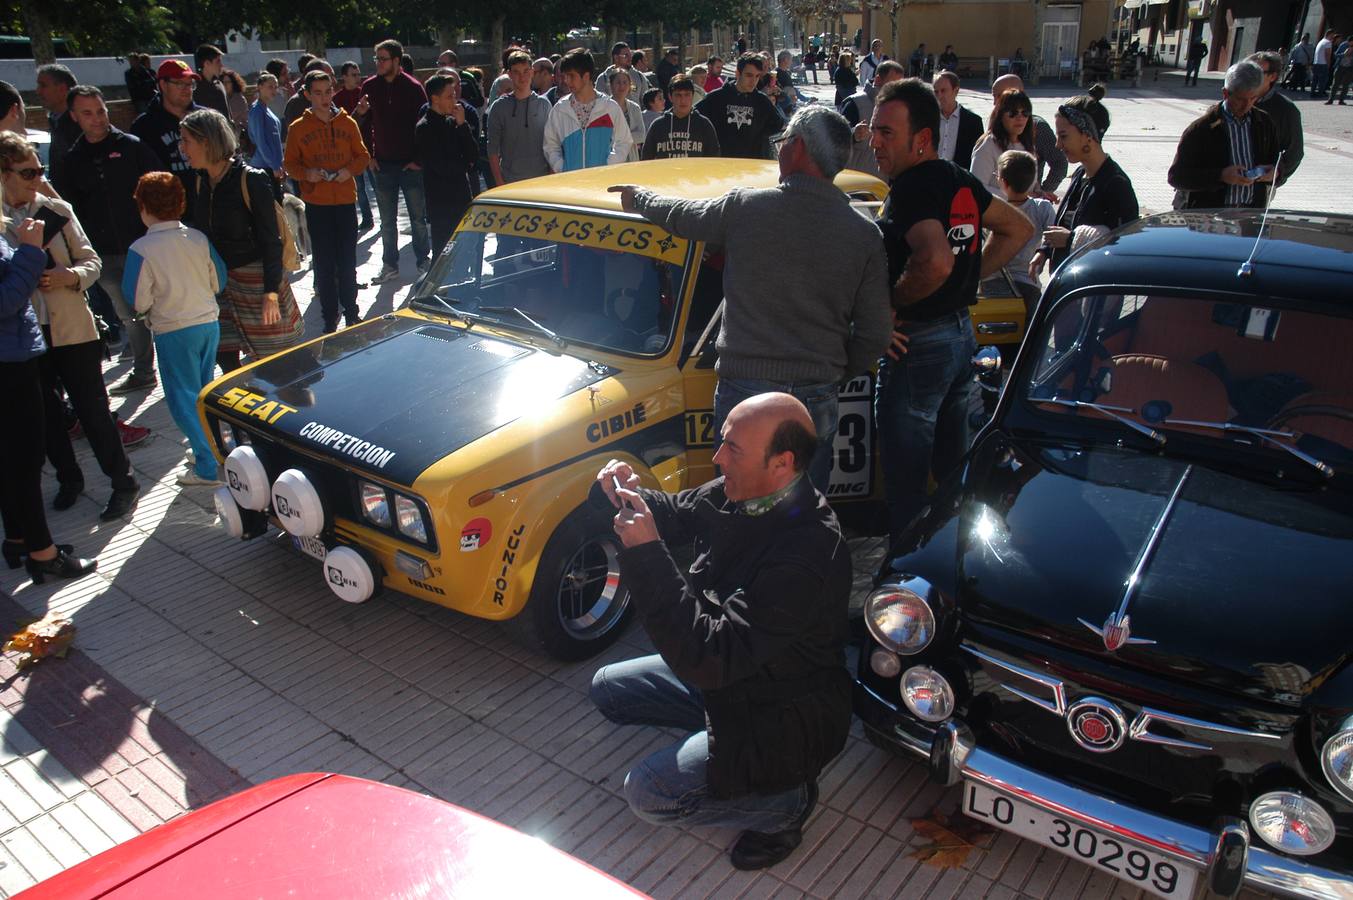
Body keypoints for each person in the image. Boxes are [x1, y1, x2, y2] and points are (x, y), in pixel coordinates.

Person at [589, 392, 853, 870]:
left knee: (649, 794)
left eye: (732, 448)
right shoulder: (744, 492)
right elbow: (675, 511)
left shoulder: (809, 550)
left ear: (783, 463)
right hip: (732, 679)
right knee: (608, 689)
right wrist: (627, 491)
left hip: (780, 711)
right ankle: (717, 740)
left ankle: (786, 805)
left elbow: (708, 657)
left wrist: (647, 554)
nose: (717, 458)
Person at [611, 106, 891, 490]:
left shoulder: (747, 208)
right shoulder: (863, 234)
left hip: (746, 391)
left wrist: (638, 198)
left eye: (782, 142)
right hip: (817, 395)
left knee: (737, 505)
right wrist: (831, 372)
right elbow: (876, 334)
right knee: (806, 513)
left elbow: (681, 214)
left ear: (795, 148)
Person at [868, 78, 1034, 537]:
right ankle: (947, 571)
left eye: (887, 133)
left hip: (917, 346)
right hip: (961, 336)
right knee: (952, 478)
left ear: (921, 139)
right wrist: (967, 276)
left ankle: (905, 584)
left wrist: (890, 304)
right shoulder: (956, 177)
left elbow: (936, 261)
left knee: (906, 485)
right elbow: (1017, 229)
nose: (874, 142)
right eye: (873, 130)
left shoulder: (911, 188)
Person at [1, 132, 140, 520]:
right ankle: (69, 479)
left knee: (92, 408)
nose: (36, 179)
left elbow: (91, 262)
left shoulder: (56, 210)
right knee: (45, 414)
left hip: (72, 327)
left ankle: (123, 481)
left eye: (40, 169)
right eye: (28, 171)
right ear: (4, 173)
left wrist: (70, 276)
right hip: (24, 333)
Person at [0, 201, 96, 582]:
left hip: (12, 356)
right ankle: (43, 552)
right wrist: (29, 251)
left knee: (11, 460)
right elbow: (6, 301)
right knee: (24, 461)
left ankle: (21, 539)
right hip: (10, 362)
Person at [181, 109, 303, 371]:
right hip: (220, 285)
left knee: (279, 364)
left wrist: (271, 293)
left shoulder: (251, 179)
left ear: (206, 142)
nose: (182, 148)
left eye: (186, 141)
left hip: (257, 284)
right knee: (227, 361)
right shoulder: (201, 181)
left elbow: (272, 241)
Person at [59, 86, 162, 397]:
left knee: (162, 308)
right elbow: (69, 208)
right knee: (130, 315)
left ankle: (171, 366)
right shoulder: (72, 159)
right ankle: (145, 370)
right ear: (75, 117)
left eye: (101, 111)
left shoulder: (132, 147)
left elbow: (160, 186)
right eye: (88, 113)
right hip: (103, 254)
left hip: (144, 246)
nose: (97, 119)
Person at [124, 172, 222, 486]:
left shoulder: (141, 248)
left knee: (182, 400)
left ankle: (206, 465)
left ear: (143, 208)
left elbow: (137, 299)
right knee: (204, 392)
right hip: (208, 323)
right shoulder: (197, 238)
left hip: (173, 330)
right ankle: (211, 448)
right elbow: (218, 280)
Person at [285, 71, 370, 332]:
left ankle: (352, 312)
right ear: (308, 95)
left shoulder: (348, 123)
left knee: (347, 261)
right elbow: (290, 164)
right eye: (318, 93)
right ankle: (329, 316)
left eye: (327, 91)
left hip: (344, 200)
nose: (324, 98)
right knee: (324, 262)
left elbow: (363, 156)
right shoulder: (298, 128)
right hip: (317, 203)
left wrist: (349, 170)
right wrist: (307, 174)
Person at [1029, 85, 1138, 280]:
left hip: (1095, 294)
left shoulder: (1116, 184)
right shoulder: (1081, 173)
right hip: (1071, 285)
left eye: (1063, 137)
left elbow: (1122, 244)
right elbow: (1063, 224)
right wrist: (1045, 250)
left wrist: (1070, 240)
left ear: (1088, 136)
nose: (1058, 145)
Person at [1168, 61, 1278, 211]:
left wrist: (1274, 173)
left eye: (1253, 99)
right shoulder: (1201, 129)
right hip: (1211, 217)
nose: (1247, 106)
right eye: (1240, 99)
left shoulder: (1264, 123)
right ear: (1226, 93)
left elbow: (1277, 160)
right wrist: (1220, 175)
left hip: (1251, 214)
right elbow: (1177, 177)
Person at [362, 40, 430, 282]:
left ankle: (424, 262)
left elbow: (425, 125)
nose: (379, 63)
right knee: (387, 221)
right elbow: (362, 123)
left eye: (383, 59)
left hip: (409, 165)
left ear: (397, 61)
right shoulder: (369, 86)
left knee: (418, 219)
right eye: (376, 59)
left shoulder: (413, 88)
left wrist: (418, 160)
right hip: (382, 165)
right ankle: (390, 265)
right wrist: (369, 155)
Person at [416, 72, 478, 259]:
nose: (455, 100)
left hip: (461, 194)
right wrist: (464, 164)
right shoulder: (424, 127)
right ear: (435, 99)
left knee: (465, 246)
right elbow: (441, 166)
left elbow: (473, 155)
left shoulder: (454, 122)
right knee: (444, 248)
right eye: (449, 96)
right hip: (441, 200)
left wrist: (462, 125)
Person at [542, 48, 632, 172]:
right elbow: (550, 145)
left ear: (586, 76)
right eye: (565, 76)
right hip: (572, 185)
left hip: (601, 185)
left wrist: (608, 166)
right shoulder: (560, 109)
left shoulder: (610, 107)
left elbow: (624, 142)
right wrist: (562, 168)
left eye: (571, 76)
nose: (566, 81)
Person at [995, 149, 1054, 319]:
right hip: (1029, 283)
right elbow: (1053, 233)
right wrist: (1042, 252)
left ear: (1003, 182)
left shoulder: (996, 210)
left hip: (997, 283)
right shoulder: (1042, 208)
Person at [990, 73, 1066, 198]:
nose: (994, 102)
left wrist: (1043, 192)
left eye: (999, 96)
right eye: (994, 96)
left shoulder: (1038, 127)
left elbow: (1060, 163)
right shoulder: (993, 131)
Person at [696, 53, 785, 160]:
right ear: (738, 73)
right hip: (721, 165)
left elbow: (778, 125)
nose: (753, 81)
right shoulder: (716, 98)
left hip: (752, 165)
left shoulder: (762, 101)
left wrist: (759, 136)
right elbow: (695, 118)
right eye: (749, 75)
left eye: (757, 76)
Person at [130, 59, 202, 183]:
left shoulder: (206, 119)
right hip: (167, 199)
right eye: (180, 83)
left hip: (208, 199)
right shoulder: (143, 127)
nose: (187, 89)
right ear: (163, 85)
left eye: (190, 84)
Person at [487, 51, 552, 185]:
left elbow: (552, 145)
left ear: (532, 72)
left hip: (541, 181)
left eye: (526, 71)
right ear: (509, 74)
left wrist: (551, 178)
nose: (522, 77)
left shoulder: (544, 105)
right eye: (516, 72)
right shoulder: (498, 107)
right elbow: (493, 150)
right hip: (511, 183)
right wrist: (500, 184)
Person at [969, 88, 1037, 195]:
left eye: (1025, 112)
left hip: (1023, 211)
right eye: (1013, 113)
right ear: (1001, 116)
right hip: (996, 210)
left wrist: (1038, 192)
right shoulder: (988, 144)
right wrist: (1014, 198)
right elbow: (976, 187)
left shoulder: (1028, 145)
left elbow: (1029, 188)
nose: (1020, 118)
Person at [1249, 51, 1303, 183]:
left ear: (1272, 76)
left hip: (1259, 183)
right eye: (1248, 71)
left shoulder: (1286, 109)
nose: (1250, 76)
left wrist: (1277, 172)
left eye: (1258, 72)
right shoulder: (1234, 99)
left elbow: (1295, 151)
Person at [333, 61, 375, 231]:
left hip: (368, 147)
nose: (358, 78)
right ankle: (367, 217)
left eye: (358, 74)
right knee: (359, 187)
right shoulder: (337, 99)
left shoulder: (364, 95)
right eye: (353, 75)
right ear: (344, 77)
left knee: (376, 185)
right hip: (350, 151)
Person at [842, 61, 905, 175]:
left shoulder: (900, 109)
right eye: (893, 84)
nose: (897, 90)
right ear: (878, 79)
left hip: (882, 187)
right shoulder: (855, 103)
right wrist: (853, 135)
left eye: (900, 85)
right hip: (854, 184)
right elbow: (834, 140)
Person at [642, 75, 720, 160]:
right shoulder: (658, 125)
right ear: (670, 97)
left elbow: (714, 159)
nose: (683, 100)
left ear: (692, 96)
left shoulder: (704, 125)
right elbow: (646, 159)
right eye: (678, 95)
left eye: (687, 95)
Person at [35, 65, 80, 187]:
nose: (38, 91)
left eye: (43, 85)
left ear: (62, 88)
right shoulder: (56, 121)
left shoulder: (82, 124)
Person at [932, 71, 983, 171]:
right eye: (936, 92)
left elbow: (978, 157)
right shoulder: (928, 119)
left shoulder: (973, 122)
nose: (939, 96)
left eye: (943, 91)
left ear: (956, 91)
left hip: (959, 179)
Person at [248, 74, 285, 186]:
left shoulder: (266, 109)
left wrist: (280, 164)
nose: (274, 90)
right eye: (270, 87)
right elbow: (261, 141)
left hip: (273, 166)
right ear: (260, 87)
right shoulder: (257, 111)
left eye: (275, 87)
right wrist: (274, 166)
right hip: (263, 167)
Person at [608, 69, 646, 162]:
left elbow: (641, 135)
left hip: (631, 158)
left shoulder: (635, 108)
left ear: (629, 85)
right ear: (611, 85)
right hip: (610, 158)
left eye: (625, 82)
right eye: (618, 82)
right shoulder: (604, 107)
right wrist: (628, 138)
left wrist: (621, 138)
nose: (622, 86)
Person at [192, 45, 231, 119]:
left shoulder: (219, 84)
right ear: (207, 63)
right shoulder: (194, 88)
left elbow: (228, 114)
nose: (221, 65)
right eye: (218, 61)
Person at [221, 69, 249, 135]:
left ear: (233, 83)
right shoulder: (224, 98)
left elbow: (228, 117)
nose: (225, 85)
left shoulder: (238, 99)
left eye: (228, 82)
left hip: (238, 134)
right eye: (223, 82)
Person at [1327, 35, 1353, 104]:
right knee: (1335, 83)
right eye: (1351, 42)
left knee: (1346, 85)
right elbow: (1336, 55)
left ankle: (1341, 100)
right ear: (1349, 41)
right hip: (1340, 66)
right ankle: (1331, 99)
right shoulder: (1343, 45)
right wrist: (1344, 54)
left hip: (1349, 68)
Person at [1313, 29, 1336, 98]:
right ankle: (1320, 94)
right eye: (1332, 35)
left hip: (1316, 63)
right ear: (1329, 34)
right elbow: (1327, 54)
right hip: (1323, 64)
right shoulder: (1328, 43)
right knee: (1323, 80)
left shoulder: (1321, 41)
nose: (1333, 37)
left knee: (1315, 79)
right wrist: (1328, 64)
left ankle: (1312, 93)